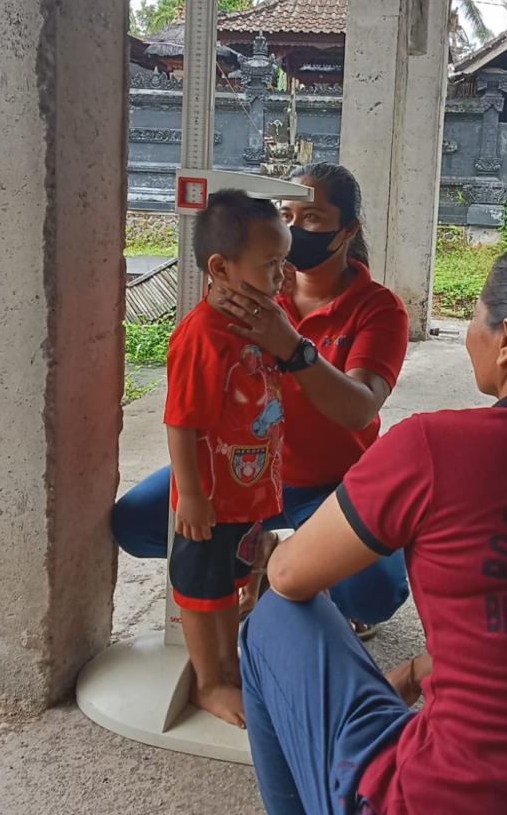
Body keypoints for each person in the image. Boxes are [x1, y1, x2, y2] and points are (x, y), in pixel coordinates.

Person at [240, 239, 507, 815]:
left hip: (443, 800)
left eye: (476, 312)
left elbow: (290, 573)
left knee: (274, 612)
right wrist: (435, 667)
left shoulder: (435, 446)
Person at [112, 163, 411, 635]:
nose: (294, 230)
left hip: (329, 486)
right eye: (286, 214)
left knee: (373, 592)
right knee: (136, 524)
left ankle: (282, 561)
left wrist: (291, 346)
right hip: (241, 468)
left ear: (346, 231)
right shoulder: (249, 288)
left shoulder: (377, 308)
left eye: (312, 217)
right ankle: (259, 544)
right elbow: (196, 378)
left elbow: (359, 410)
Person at [164, 190, 290, 728]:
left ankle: (229, 665)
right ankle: (208, 683)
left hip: (246, 491)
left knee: (231, 583)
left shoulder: (264, 318)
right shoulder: (203, 336)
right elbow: (180, 421)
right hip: (211, 499)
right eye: (270, 265)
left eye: (284, 263)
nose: (282, 277)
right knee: (203, 590)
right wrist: (190, 494)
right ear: (220, 267)